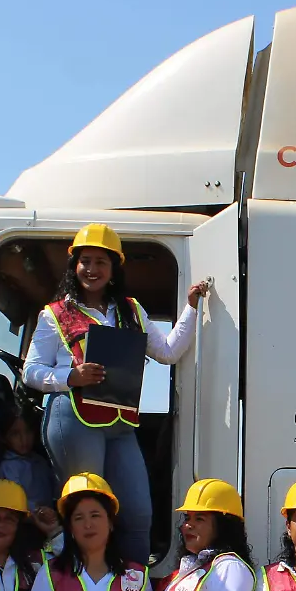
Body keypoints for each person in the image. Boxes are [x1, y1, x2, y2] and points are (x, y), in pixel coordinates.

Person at [21, 222, 209, 564]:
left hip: (120, 422)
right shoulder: (54, 314)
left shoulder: (131, 309)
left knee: (138, 512)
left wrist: (192, 307)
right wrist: (70, 377)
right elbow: (30, 372)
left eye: (100, 262)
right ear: (74, 265)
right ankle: (77, 585)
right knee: (86, 511)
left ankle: (133, 590)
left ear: (113, 269)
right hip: (73, 418)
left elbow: (167, 352)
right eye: (85, 261)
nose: (91, 269)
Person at [0, 407, 63, 542]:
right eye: (15, 434)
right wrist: (39, 512)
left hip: (49, 520)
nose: (23, 439)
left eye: (28, 432)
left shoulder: (41, 461)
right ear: (3, 437)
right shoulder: (8, 466)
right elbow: (13, 500)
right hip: (24, 525)